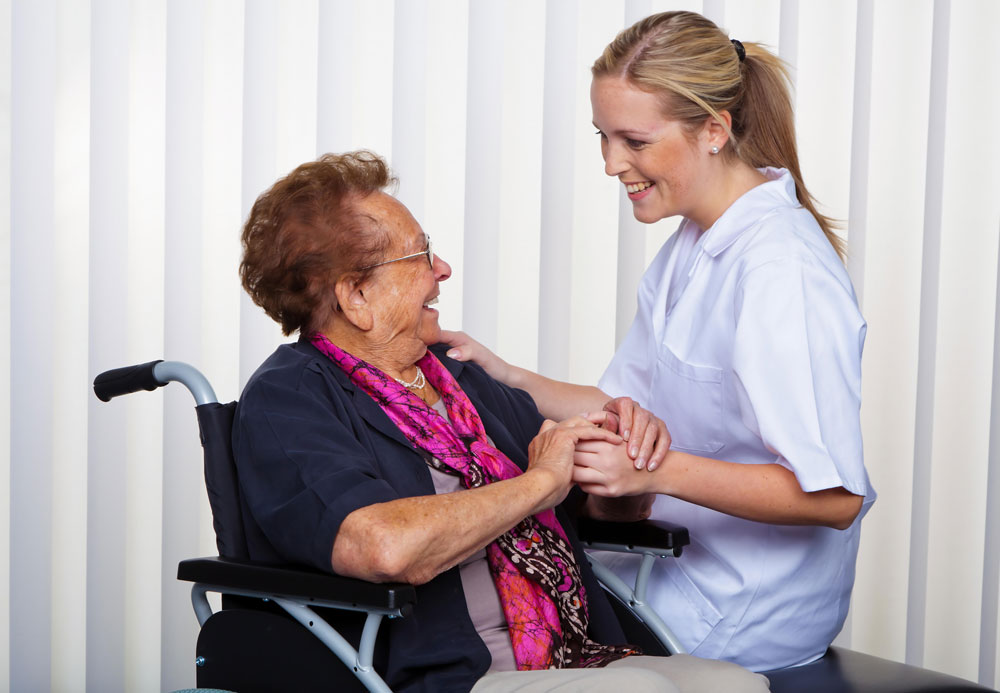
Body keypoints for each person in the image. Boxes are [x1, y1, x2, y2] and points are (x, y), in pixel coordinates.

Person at [232, 151, 769, 693]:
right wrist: (538, 483)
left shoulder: (455, 376)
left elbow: (589, 505)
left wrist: (625, 461)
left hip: (576, 651)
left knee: (737, 686)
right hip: (451, 675)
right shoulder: (291, 398)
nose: (442, 270)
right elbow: (382, 547)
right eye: (422, 255)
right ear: (357, 295)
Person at [443, 10, 875, 672]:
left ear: (713, 130)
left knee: (473, 623)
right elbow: (624, 400)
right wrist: (506, 374)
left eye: (634, 141)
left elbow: (835, 496)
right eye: (603, 136)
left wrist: (657, 471)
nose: (612, 164)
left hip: (739, 610)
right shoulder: (691, 247)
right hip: (664, 566)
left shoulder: (781, 270)